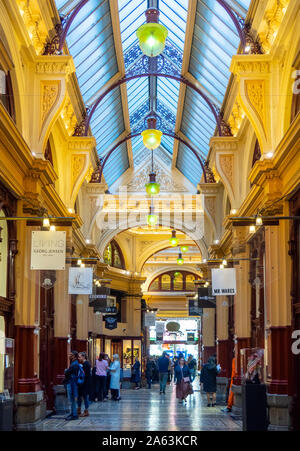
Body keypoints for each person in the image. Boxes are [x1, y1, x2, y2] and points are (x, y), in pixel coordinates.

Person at [63, 351, 80, 420]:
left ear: (74, 356)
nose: (69, 355)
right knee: (72, 399)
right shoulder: (74, 363)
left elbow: (68, 373)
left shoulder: (75, 364)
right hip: (71, 382)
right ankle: (73, 413)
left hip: (72, 383)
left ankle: (74, 415)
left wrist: (66, 371)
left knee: (72, 399)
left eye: (71, 355)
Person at [77, 352, 91, 417]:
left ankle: (86, 411)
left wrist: (83, 383)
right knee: (81, 397)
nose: (78, 358)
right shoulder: (83, 364)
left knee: (85, 397)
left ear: (83, 357)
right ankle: (79, 410)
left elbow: (85, 375)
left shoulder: (86, 364)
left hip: (84, 384)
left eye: (79, 357)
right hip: (83, 384)